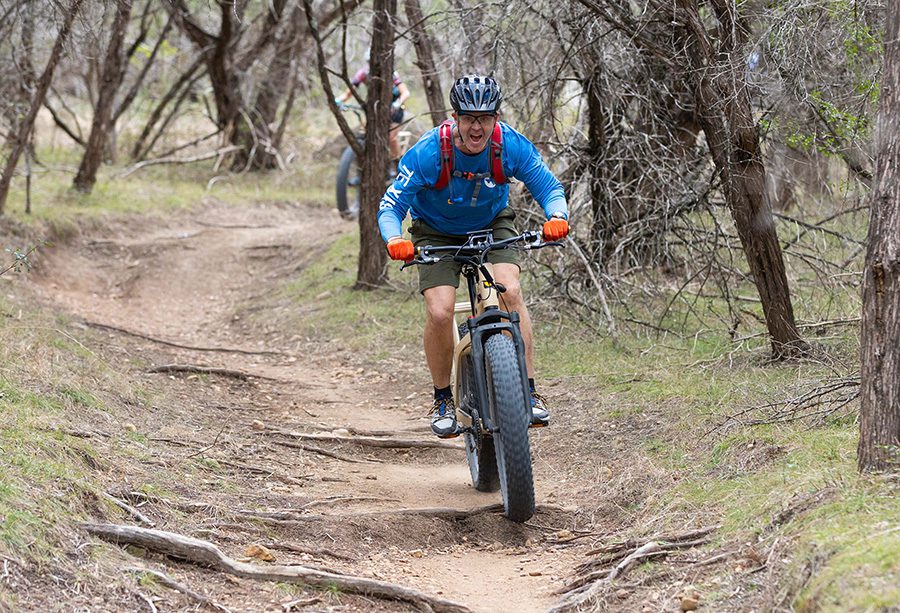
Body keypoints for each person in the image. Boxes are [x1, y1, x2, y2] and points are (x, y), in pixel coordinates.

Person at [377, 74, 569, 438]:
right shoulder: (430, 152)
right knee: (439, 310)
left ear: (496, 117)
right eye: (469, 117)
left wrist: (557, 216)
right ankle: (442, 398)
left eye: (485, 117)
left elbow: (549, 186)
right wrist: (394, 239)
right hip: (435, 231)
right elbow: (391, 206)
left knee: (510, 292)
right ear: (456, 117)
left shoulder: (508, 145)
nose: (477, 126)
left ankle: (528, 392)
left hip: (491, 222)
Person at [335, 60, 411, 162]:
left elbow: (405, 92)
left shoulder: (391, 74)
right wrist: (338, 100)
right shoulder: (363, 73)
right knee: (369, 132)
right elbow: (349, 92)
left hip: (394, 109)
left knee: (391, 138)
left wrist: (398, 103)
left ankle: (398, 163)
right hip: (375, 108)